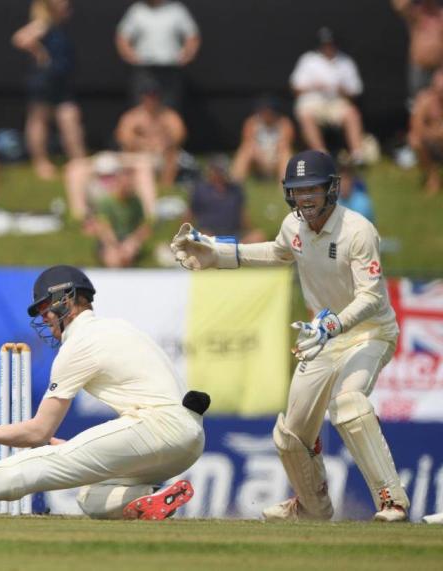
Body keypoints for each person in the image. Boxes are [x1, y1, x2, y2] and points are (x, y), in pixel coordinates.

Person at [170, 150, 409, 522]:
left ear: (331, 189)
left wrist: (334, 324)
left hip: (369, 333)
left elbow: (372, 296)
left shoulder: (358, 231)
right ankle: (312, 508)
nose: (306, 198)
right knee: (291, 435)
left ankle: (391, 500)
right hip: (324, 337)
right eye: (298, 190)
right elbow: (277, 252)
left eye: (313, 188)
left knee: (349, 405)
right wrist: (217, 253)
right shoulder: (293, 227)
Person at [0, 265, 207, 519]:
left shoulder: (79, 343)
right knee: (89, 497)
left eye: (45, 308)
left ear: (65, 300)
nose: (43, 318)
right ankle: (148, 500)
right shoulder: (118, 327)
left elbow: (38, 433)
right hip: (189, 440)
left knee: (47, 461)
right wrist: (77, 448)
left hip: (157, 427)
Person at [12, 0, 86, 180]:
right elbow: (20, 38)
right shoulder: (43, 23)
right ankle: (41, 162)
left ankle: (78, 159)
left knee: (69, 118)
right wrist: (39, 53)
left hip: (61, 79)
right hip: (44, 80)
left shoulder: (59, 24)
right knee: (39, 119)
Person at [289, 28, 365, 160]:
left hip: (337, 103)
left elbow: (356, 91)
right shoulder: (308, 60)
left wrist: (342, 90)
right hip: (313, 102)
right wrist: (314, 86)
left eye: (331, 43)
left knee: (352, 114)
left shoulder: (346, 61)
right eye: (325, 44)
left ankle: (358, 155)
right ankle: (322, 155)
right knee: (305, 114)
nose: (328, 47)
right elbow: (295, 88)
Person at [115, 0, 200, 110]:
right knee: (141, 109)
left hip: (170, 69)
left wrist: (187, 55)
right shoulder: (137, 10)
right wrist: (132, 57)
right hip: (144, 70)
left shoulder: (177, 10)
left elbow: (192, 36)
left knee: (171, 109)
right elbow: (122, 37)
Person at [79, 152, 153, 268]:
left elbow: (143, 226)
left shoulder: (136, 202)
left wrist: (132, 241)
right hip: (110, 241)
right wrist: (115, 246)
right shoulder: (106, 201)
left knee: (127, 255)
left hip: (128, 239)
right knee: (113, 259)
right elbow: (103, 227)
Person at [115, 79, 186, 187]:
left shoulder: (169, 116)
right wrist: (142, 144)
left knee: (172, 155)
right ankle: (132, 187)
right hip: (139, 156)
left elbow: (179, 134)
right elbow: (123, 137)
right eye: (148, 95)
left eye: (154, 95)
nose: (151, 99)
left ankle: (165, 187)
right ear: (142, 97)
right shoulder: (133, 116)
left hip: (162, 155)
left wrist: (164, 143)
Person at [187, 156, 264, 244]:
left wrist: (251, 230)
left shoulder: (235, 190)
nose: (219, 174)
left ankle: (236, 251)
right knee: (203, 237)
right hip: (210, 236)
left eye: (221, 171)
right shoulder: (200, 190)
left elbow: (243, 216)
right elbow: (189, 215)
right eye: (217, 171)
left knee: (258, 236)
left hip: (233, 235)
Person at [231, 96, 295, 181]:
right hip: (258, 158)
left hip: (276, 158)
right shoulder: (251, 122)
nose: (266, 114)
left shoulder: (284, 123)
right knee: (246, 150)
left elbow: (285, 144)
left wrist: (271, 158)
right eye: (263, 111)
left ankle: (285, 184)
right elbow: (248, 141)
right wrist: (260, 156)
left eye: (269, 111)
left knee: (286, 153)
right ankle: (235, 182)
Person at [392, 0, 443, 100]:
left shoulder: (440, 15)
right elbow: (399, 5)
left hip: (440, 70)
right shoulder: (415, 14)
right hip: (420, 70)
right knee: (418, 105)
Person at [408, 67, 443, 195]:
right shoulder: (424, 100)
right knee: (414, 140)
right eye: (439, 90)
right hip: (432, 143)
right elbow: (416, 129)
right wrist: (436, 133)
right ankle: (432, 177)